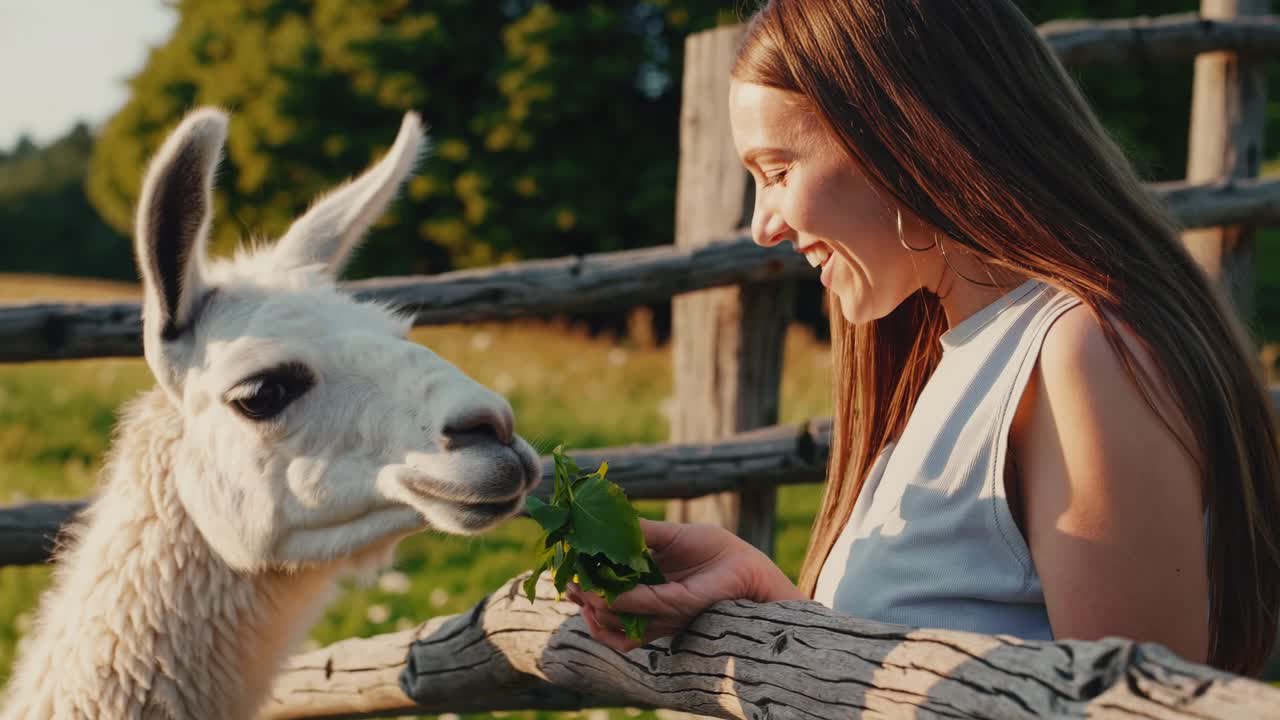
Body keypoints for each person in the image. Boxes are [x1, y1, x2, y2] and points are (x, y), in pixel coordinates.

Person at [568, 0, 1280, 677]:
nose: (764, 224)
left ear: (903, 139)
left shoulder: (1083, 353)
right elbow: (929, 662)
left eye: (778, 171)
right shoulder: (954, 362)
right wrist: (764, 591)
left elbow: (1132, 709)